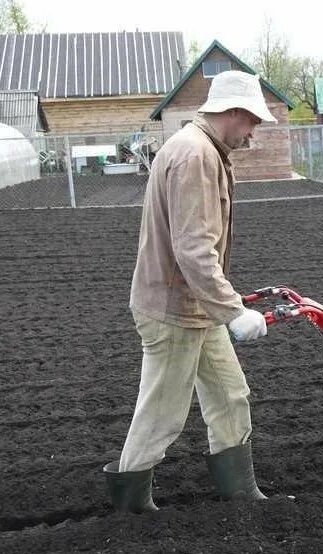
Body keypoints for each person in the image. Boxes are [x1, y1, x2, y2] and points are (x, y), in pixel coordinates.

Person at [102, 70, 278, 513]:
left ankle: (240, 491)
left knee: (229, 394)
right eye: (253, 121)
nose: (254, 132)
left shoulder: (202, 150)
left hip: (196, 307)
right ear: (234, 113)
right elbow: (194, 250)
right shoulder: (195, 155)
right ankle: (131, 507)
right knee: (162, 411)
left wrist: (223, 307)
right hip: (172, 309)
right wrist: (234, 311)